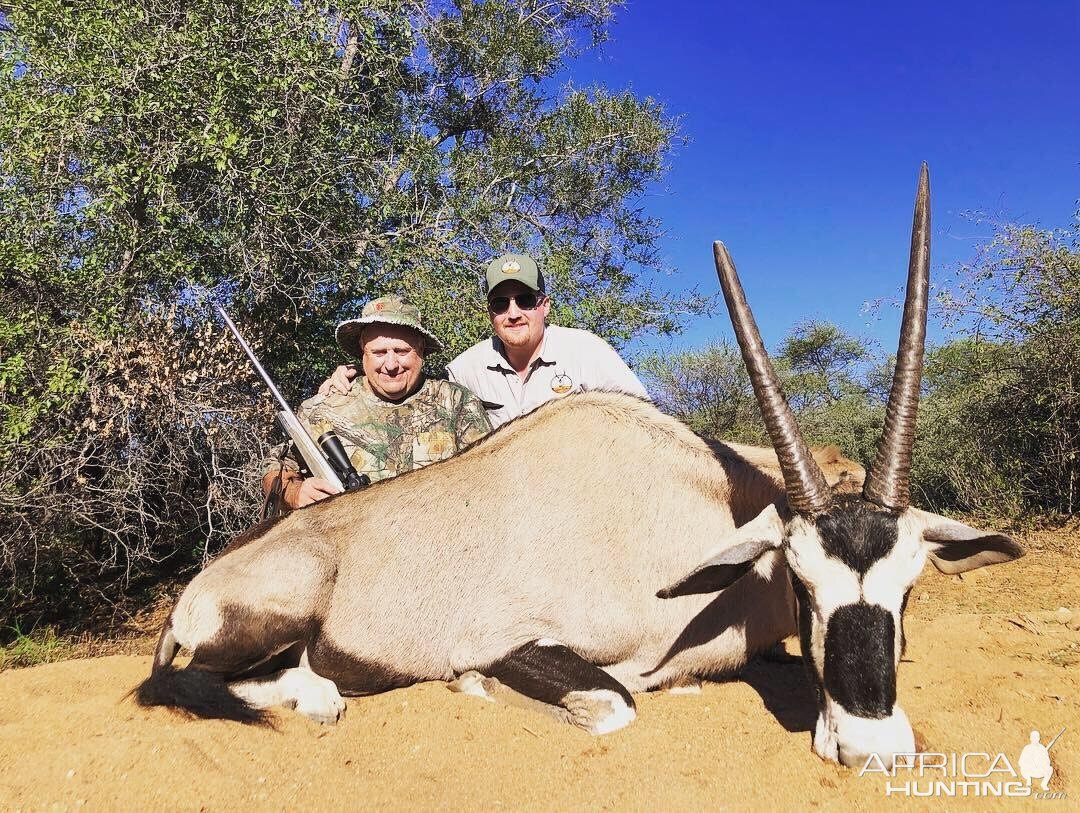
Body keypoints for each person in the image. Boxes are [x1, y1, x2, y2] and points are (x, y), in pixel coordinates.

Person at [320, 254, 649, 428]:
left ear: (544, 305)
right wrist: (349, 377)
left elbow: (648, 424)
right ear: (490, 313)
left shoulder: (587, 351)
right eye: (500, 304)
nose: (513, 312)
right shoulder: (464, 369)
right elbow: (407, 380)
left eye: (524, 299)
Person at [262, 295, 492, 510]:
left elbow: (488, 474)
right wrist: (295, 492)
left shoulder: (458, 402)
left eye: (402, 351)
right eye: (379, 352)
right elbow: (275, 468)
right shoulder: (321, 409)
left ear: (421, 349)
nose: (391, 365)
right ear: (363, 351)